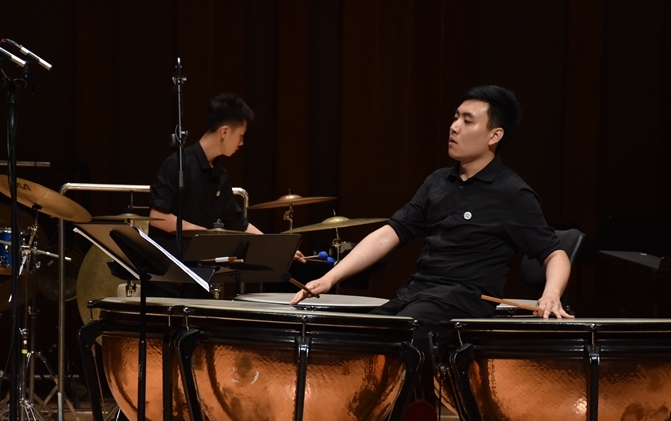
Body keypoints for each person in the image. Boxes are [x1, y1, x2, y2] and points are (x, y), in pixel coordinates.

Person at [291, 85, 573, 332]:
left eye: (467, 121)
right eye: (455, 117)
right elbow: (389, 234)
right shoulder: (438, 181)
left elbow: (554, 253)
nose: (454, 127)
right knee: (355, 334)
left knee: (398, 335)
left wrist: (551, 293)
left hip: (462, 304)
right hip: (416, 295)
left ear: (494, 135)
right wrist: (329, 278)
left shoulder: (512, 193)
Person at [149, 92, 263, 246]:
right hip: (168, 257)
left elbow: (238, 224)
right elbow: (157, 217)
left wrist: (274, 245)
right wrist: (203, 234)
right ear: (224, 132)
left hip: (200, 255)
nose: (241, 143)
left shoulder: (220, 175)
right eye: (241, 136)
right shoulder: (178, 164)